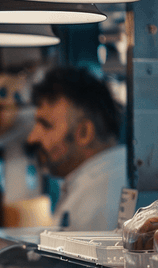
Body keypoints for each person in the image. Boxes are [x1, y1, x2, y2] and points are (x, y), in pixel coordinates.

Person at [26, 66, 128, 231]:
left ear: (84, 133)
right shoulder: (102, 178)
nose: (32, 137)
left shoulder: (95, 200)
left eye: (46, 125)